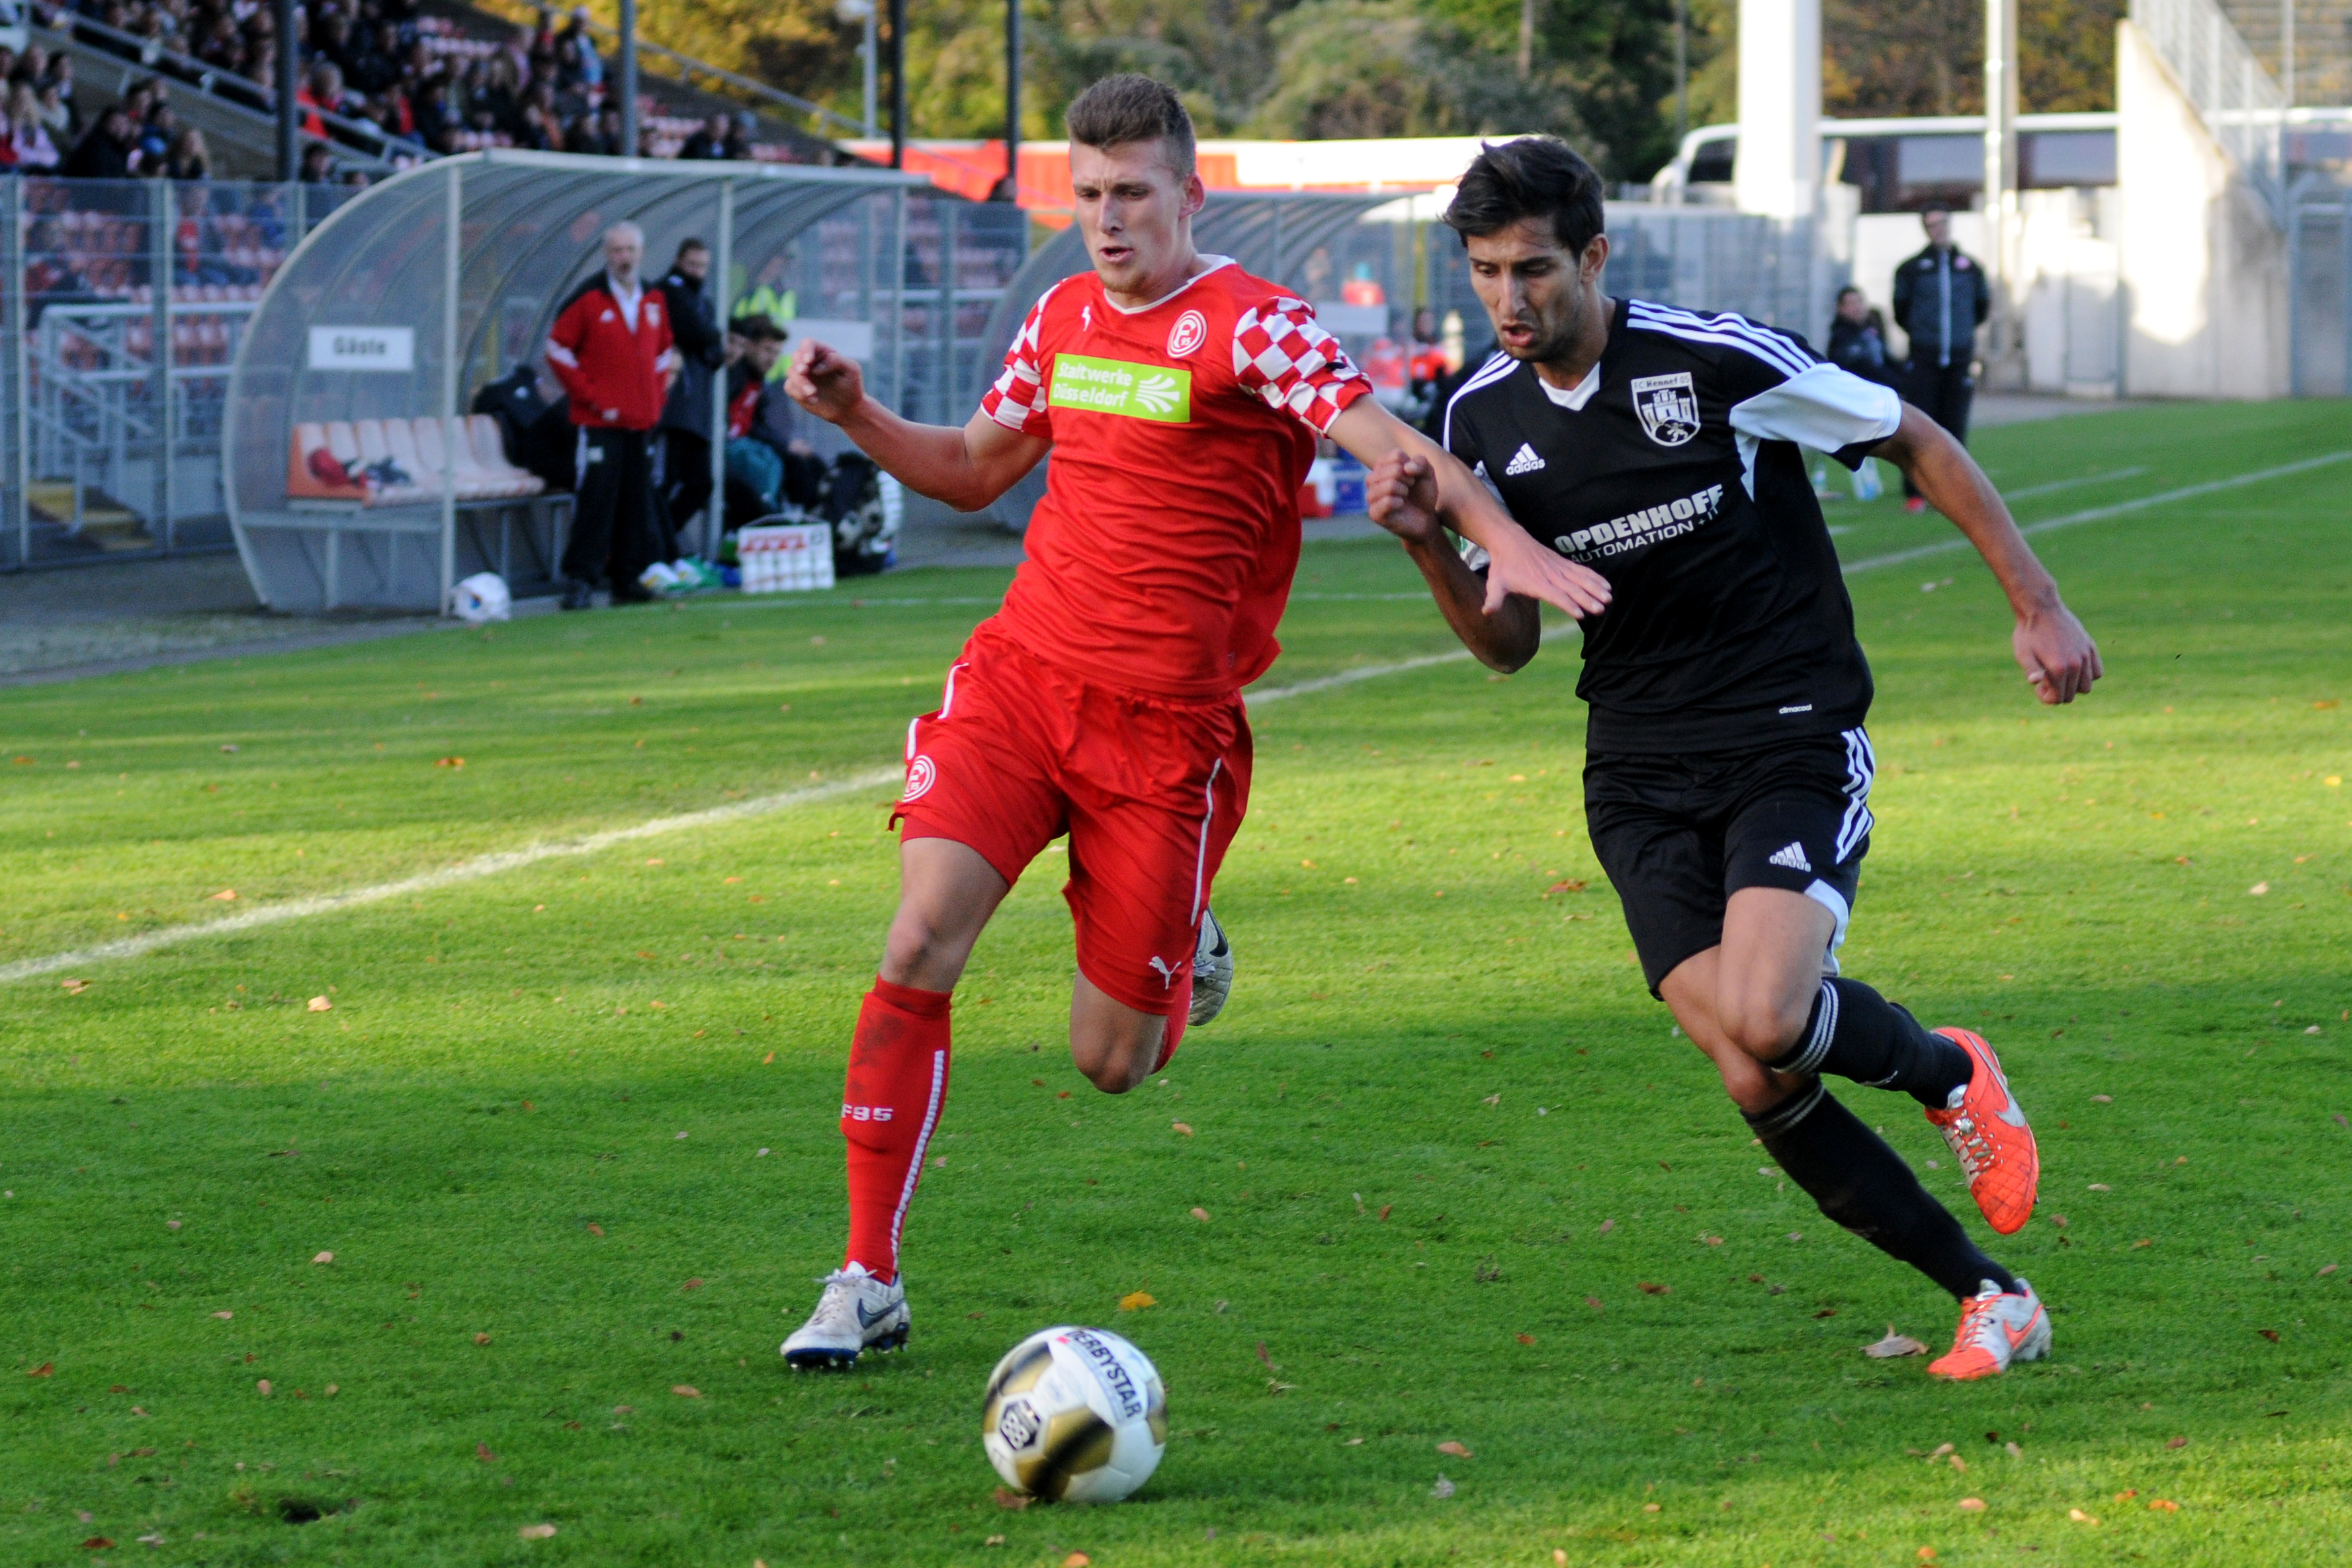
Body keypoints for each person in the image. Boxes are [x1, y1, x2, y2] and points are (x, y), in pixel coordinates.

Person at [771, 73, 1611, 1371]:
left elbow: (1409, 455)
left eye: (1133, 195)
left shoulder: (1254, 328)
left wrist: (1507, 547)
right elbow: (978, 469)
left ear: (1187, 193)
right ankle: (865, 1277)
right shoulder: (1057, 316)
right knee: (919, 935)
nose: (1108, 223)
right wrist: (856, 417)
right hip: (1020, 686)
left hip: (1165, 738)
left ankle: (1181, 937)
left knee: (1109, 1063)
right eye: (1089, 196)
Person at [1365, 136, 2101, 1383]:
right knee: (1752, 1072)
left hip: (1786, 734)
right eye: (1485, 271)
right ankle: (1992, 1295)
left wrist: (2036, 604)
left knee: (1769, 1014)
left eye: (1532, 269)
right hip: (1636, 773)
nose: (1507, 300)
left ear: (1592, 257)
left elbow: (1914, 435)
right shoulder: (1476, 420)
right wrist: (1431, 546)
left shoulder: (1712, 362)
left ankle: (1947, 1067)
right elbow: (1508, 648)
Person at [546, 220, 679, 609]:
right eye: (616, 251)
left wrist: (653, 400)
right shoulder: (588, 297)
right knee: (596, 501)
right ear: (606, 254)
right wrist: (591, 397)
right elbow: (557, 349)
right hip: (599, 421)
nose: (623, 258)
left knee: (635, 502)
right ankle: (581, 580)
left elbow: (664, 352)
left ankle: (627, 578)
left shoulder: (653, 297)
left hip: (639, 421)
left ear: (641, 253)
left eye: (629, 251)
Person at [1890, 206, 1989, 513]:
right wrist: (1925, 336)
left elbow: (1981, 308)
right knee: (1919, 426)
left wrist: (1960, 339)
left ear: (1950, 224)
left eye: (1942, 222)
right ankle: (1916, 492)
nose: (1939, 229)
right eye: (1931, 225)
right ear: (1925, 229)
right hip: (1924, 358)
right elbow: (1901, 311)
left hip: (1959, 359)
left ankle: (1956, 489)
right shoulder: (1911, 268)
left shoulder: (1969, 268)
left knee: (1955, 427)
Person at [654, 237, 726, 546]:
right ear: (679, 261)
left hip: (696, 409)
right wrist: (709, 338)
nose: (697, 272)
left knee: (700, 483)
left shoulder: (701, 298)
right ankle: (658, 548)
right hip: (674, 409)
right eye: (692, 265)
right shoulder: (668, 291)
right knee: (664, 480)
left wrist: (709, 340)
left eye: (703, 266)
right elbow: (700, 332)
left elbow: (714, 349)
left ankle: (662, 542)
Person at [720, 316, 821, 515]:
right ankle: (772, 518)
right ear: (751, 347)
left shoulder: (758, 383)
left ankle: (801, 515)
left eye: (776, 353)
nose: (772, 359)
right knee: (765, 466)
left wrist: (785, 445)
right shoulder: (736, 376)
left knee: (804, 463)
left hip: (741, 445)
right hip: (727, 449)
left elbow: (756, 424)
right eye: (767, 350)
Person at [1825, 285, 1893, 386]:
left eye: (1859, 302)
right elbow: (1864, 368)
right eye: (1851, 304)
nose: (1857, 308)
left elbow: (1886, 359)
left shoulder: (1872, 329)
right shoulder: (1841, 338)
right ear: (1841, 309)